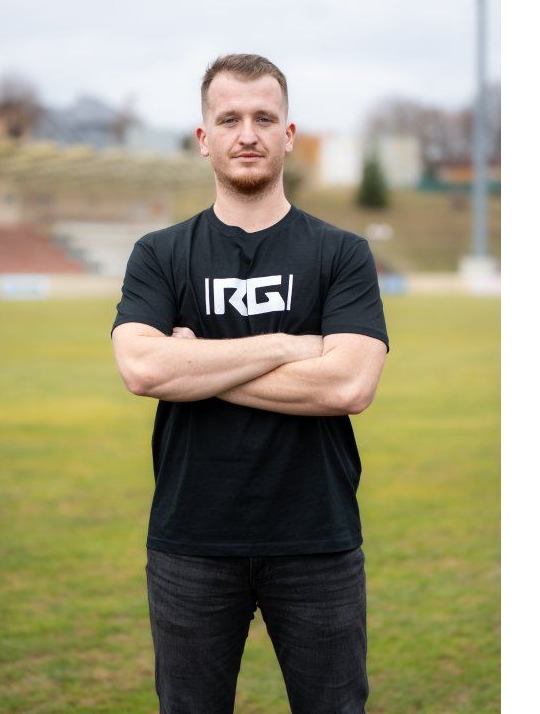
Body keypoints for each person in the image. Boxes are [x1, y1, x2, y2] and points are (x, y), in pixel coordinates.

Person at [110, 53, 389, 714]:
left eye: (264, 118)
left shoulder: (341, 253)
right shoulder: (160, 253)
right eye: (229, 119)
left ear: (288, 135)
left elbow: (348, 386)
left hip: (316, 540)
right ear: (203, 138)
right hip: (192, 543)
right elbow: (144, 368)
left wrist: (196, 366)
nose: (247, 134)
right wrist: (287, 346)